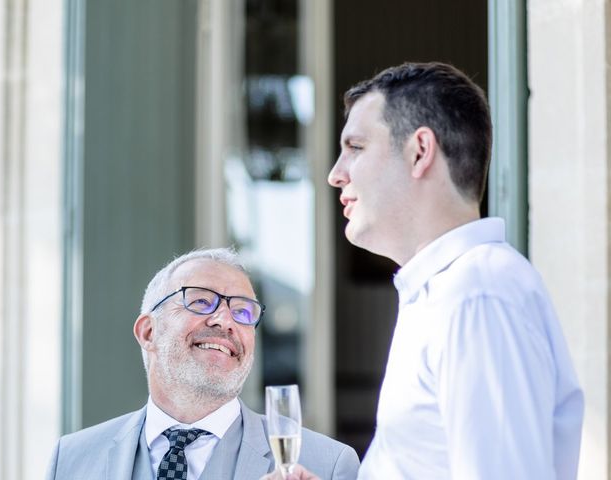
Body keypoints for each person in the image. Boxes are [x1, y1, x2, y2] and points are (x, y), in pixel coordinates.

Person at [264, 62, 584, 479]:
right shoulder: (448, 293)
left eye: (356, 147)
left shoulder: (477, 294)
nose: (335, 174)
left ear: (419, 151)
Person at [46, 248, 360, 480]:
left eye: (243, 312)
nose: (225, 320)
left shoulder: (328, 465)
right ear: (148, 332)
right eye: (200, 301)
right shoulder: (71, 460)